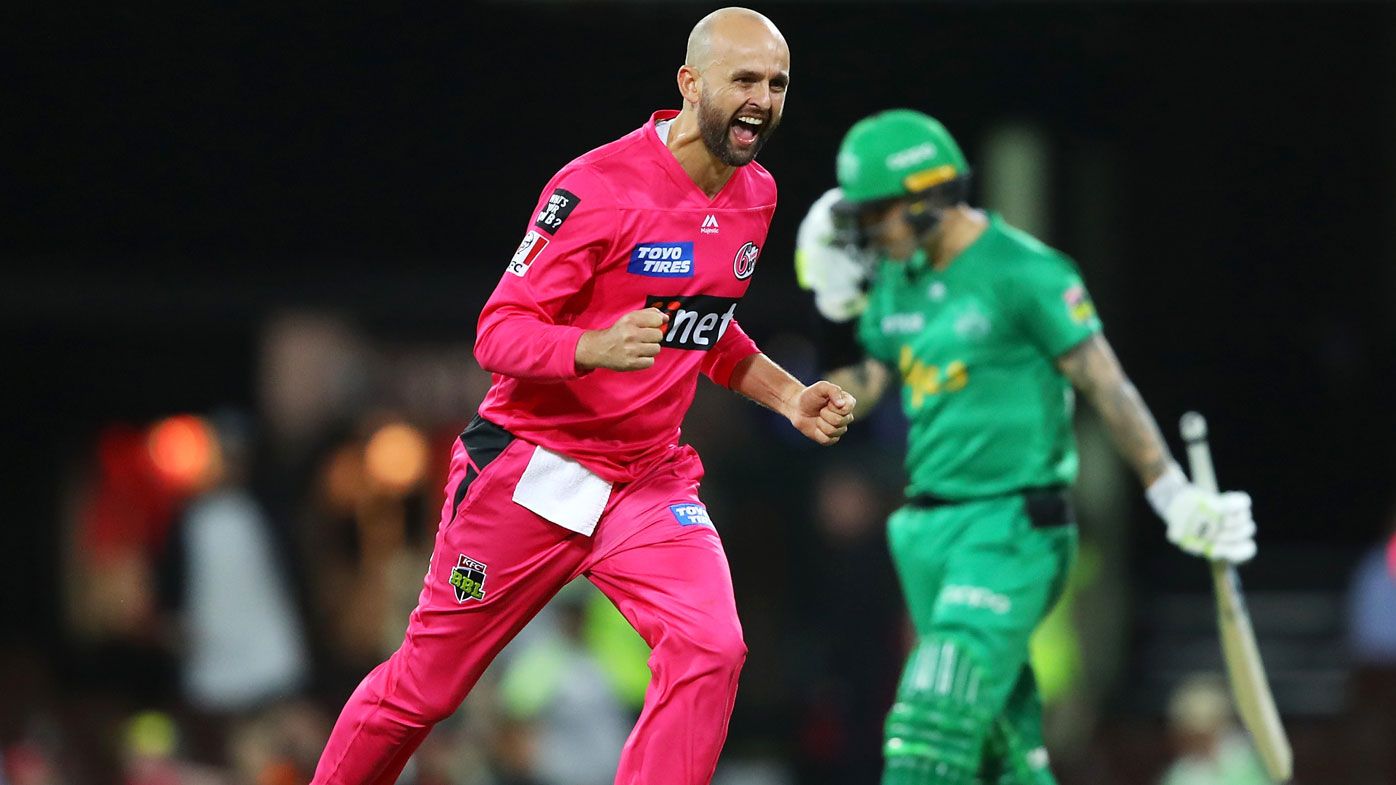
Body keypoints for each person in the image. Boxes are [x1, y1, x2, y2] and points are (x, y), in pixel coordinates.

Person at [310, 9, 857, 785]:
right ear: (690, 84)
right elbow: (497, 332)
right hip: (533, 473)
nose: (762, 99)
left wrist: (788, 396)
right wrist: (589, 347)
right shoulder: (595, 187)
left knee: (712, 645)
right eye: (744, 79)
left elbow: (707, 329)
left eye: (777, 83)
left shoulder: (755, 196)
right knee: (426, 689)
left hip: (646, 479)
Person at [795, 109, 1258, 785]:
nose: (865, 233)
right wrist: (802, 394)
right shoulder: (900, 274)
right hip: (927, 532)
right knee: (1003, 749)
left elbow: (1107, 384)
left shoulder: (1025, 271)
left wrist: (1173, 494)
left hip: (1010, 525)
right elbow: (872, 372)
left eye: (877, 213)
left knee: (929, 719)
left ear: (928, 193)